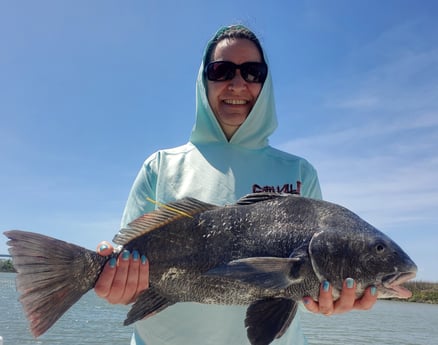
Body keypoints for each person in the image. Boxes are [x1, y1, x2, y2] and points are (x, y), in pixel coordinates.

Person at [94, 25, 377, 345]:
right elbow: (130, 269)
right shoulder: (160, 166)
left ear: (266, 83)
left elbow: (305, 285)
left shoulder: (299, 171)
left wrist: (330, 301)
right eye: (222, 70)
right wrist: (116, 284)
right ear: (204, 80)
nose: (238, 83)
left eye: (253, 72)